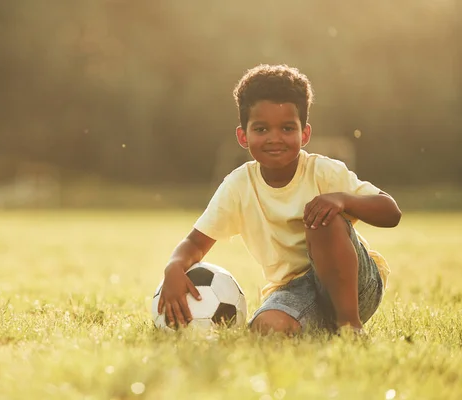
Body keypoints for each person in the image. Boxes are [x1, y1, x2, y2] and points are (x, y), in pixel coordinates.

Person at [157, 64, 401, 335]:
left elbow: (391, 212)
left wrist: (342, 200)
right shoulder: (238, 186)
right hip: (292, 291)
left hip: (355, 288)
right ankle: (320, 328)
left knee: (321, 218)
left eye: (287, 128)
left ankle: (349, 328)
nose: (275, 139)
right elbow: (196, 242)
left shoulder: (322, 171)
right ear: (243, 136)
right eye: (261, 129)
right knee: (266, 330)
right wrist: (174, 266)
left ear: (304, 134)